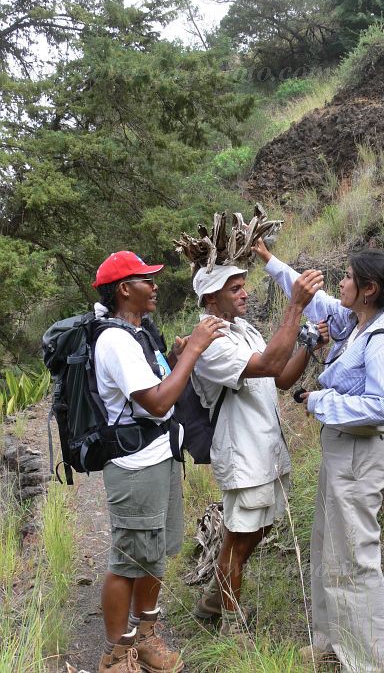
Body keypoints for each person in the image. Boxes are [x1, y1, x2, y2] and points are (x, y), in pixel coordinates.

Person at [255, 239, 384, 673]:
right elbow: (315, 301)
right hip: (342, 451)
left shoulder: (383, 338)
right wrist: (271, 261)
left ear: (368, 289)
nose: (340, 283)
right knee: (329, 546)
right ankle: (333, 642)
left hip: (361, 455)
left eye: (347, 277)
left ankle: (370, 664)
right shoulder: (355, 322)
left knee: (356, 558)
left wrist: (319, 402)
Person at [92, 250, 224, 673]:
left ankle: (144, 636)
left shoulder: (138, 332)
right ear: (124, 289)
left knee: (152, 554)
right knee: (127, 559)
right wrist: (196, 349)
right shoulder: (114, 339)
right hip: (135, 466)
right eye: (146, 279)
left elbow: (160, 380)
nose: (155, 285)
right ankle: (116, 653)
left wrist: (182, 351)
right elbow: (156, 400)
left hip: (158, 458)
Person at [189, 262, 325, 643]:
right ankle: (232, 626)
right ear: (211, 298)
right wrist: (295, 307)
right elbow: (265, 363)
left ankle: (214, 601)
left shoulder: (242, 328)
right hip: (244, 454)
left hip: (266, 450)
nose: (245, 293)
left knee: (257, 529)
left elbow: (279, 376)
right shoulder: (210, 341)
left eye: (243, 286)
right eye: (235, 289)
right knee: (238, 537)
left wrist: (308, 345)